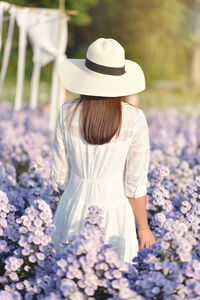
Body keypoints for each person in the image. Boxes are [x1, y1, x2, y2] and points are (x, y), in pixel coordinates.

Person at [50, 38, 155, 264]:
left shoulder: (66, 112)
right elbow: (135, 184)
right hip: (115, 212)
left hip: (72, 205)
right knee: (113, 280)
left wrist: (71, 200)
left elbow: (59, 175)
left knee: (66, 280)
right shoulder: (134, 119)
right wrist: (144, 228)